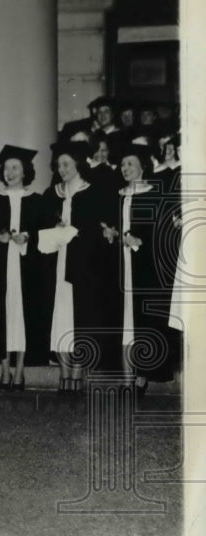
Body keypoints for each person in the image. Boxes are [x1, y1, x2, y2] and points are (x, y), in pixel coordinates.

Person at [39, 141, 113, 393]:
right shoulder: (51, 195)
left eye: (67, 164)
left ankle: (78, 373)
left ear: (79, 164)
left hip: (82, 269)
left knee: (80, 318)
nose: (62, 169)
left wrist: (74, 234)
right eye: (59, 165)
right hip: (56, 266)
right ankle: (64, 374)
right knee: (58, 318)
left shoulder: (93, 193)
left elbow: (97, 233)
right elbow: (40, 230)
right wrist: (55, 232)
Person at [102, 143, 171, 394]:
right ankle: (125, 377)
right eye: (122, 164)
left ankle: (141, 377)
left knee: (142, 320)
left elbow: (162, 234)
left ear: (143, 167)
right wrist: (111, 234)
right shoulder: (117, 195)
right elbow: (113, 229)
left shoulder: (154, 195)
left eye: (130, 164)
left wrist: (140, 242)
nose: (125, 168)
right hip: (121, 266)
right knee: (123, 320)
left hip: (145, 268)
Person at [0, 146, 51, 390]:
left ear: (25, 171)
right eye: (6, 168)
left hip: (27, 268)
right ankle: (4, 369)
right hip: (0, 269)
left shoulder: (37, 201)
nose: (10, 172)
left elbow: (45, 233)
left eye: (15, 168)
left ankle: (20, 369)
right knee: (3, 314)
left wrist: (28, 237)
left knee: (23, 315)